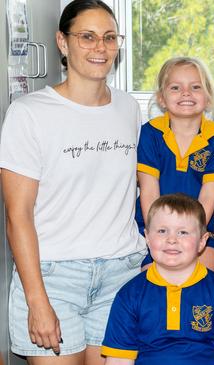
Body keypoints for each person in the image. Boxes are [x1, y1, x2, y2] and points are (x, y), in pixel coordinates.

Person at [0, 1, 147, 363]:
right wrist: (37, 300)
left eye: (110, 38)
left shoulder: (129, 108)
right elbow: (18, 216)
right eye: (88, 37)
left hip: (120, 273)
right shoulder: (29, 113)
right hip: (53, 277)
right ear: (63, 43)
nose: (101, 47)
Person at [101, 194, 214, 365]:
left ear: (202, 242)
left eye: (183, 232)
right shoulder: (130, 295)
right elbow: (119, 360)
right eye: (162, 231)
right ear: (147, 238)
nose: (172, 239)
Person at [135, 56, 214, 275]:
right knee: (153, 281)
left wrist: (188, 238)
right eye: (175, 87)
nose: (186, 93)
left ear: (208, 97)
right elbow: (149, 190)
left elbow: (208, 199)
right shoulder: (150, 134)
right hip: (153, 228)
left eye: (195, 87)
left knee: (201, 278)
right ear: (161, 98)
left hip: (199, 230)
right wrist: (159, 234)